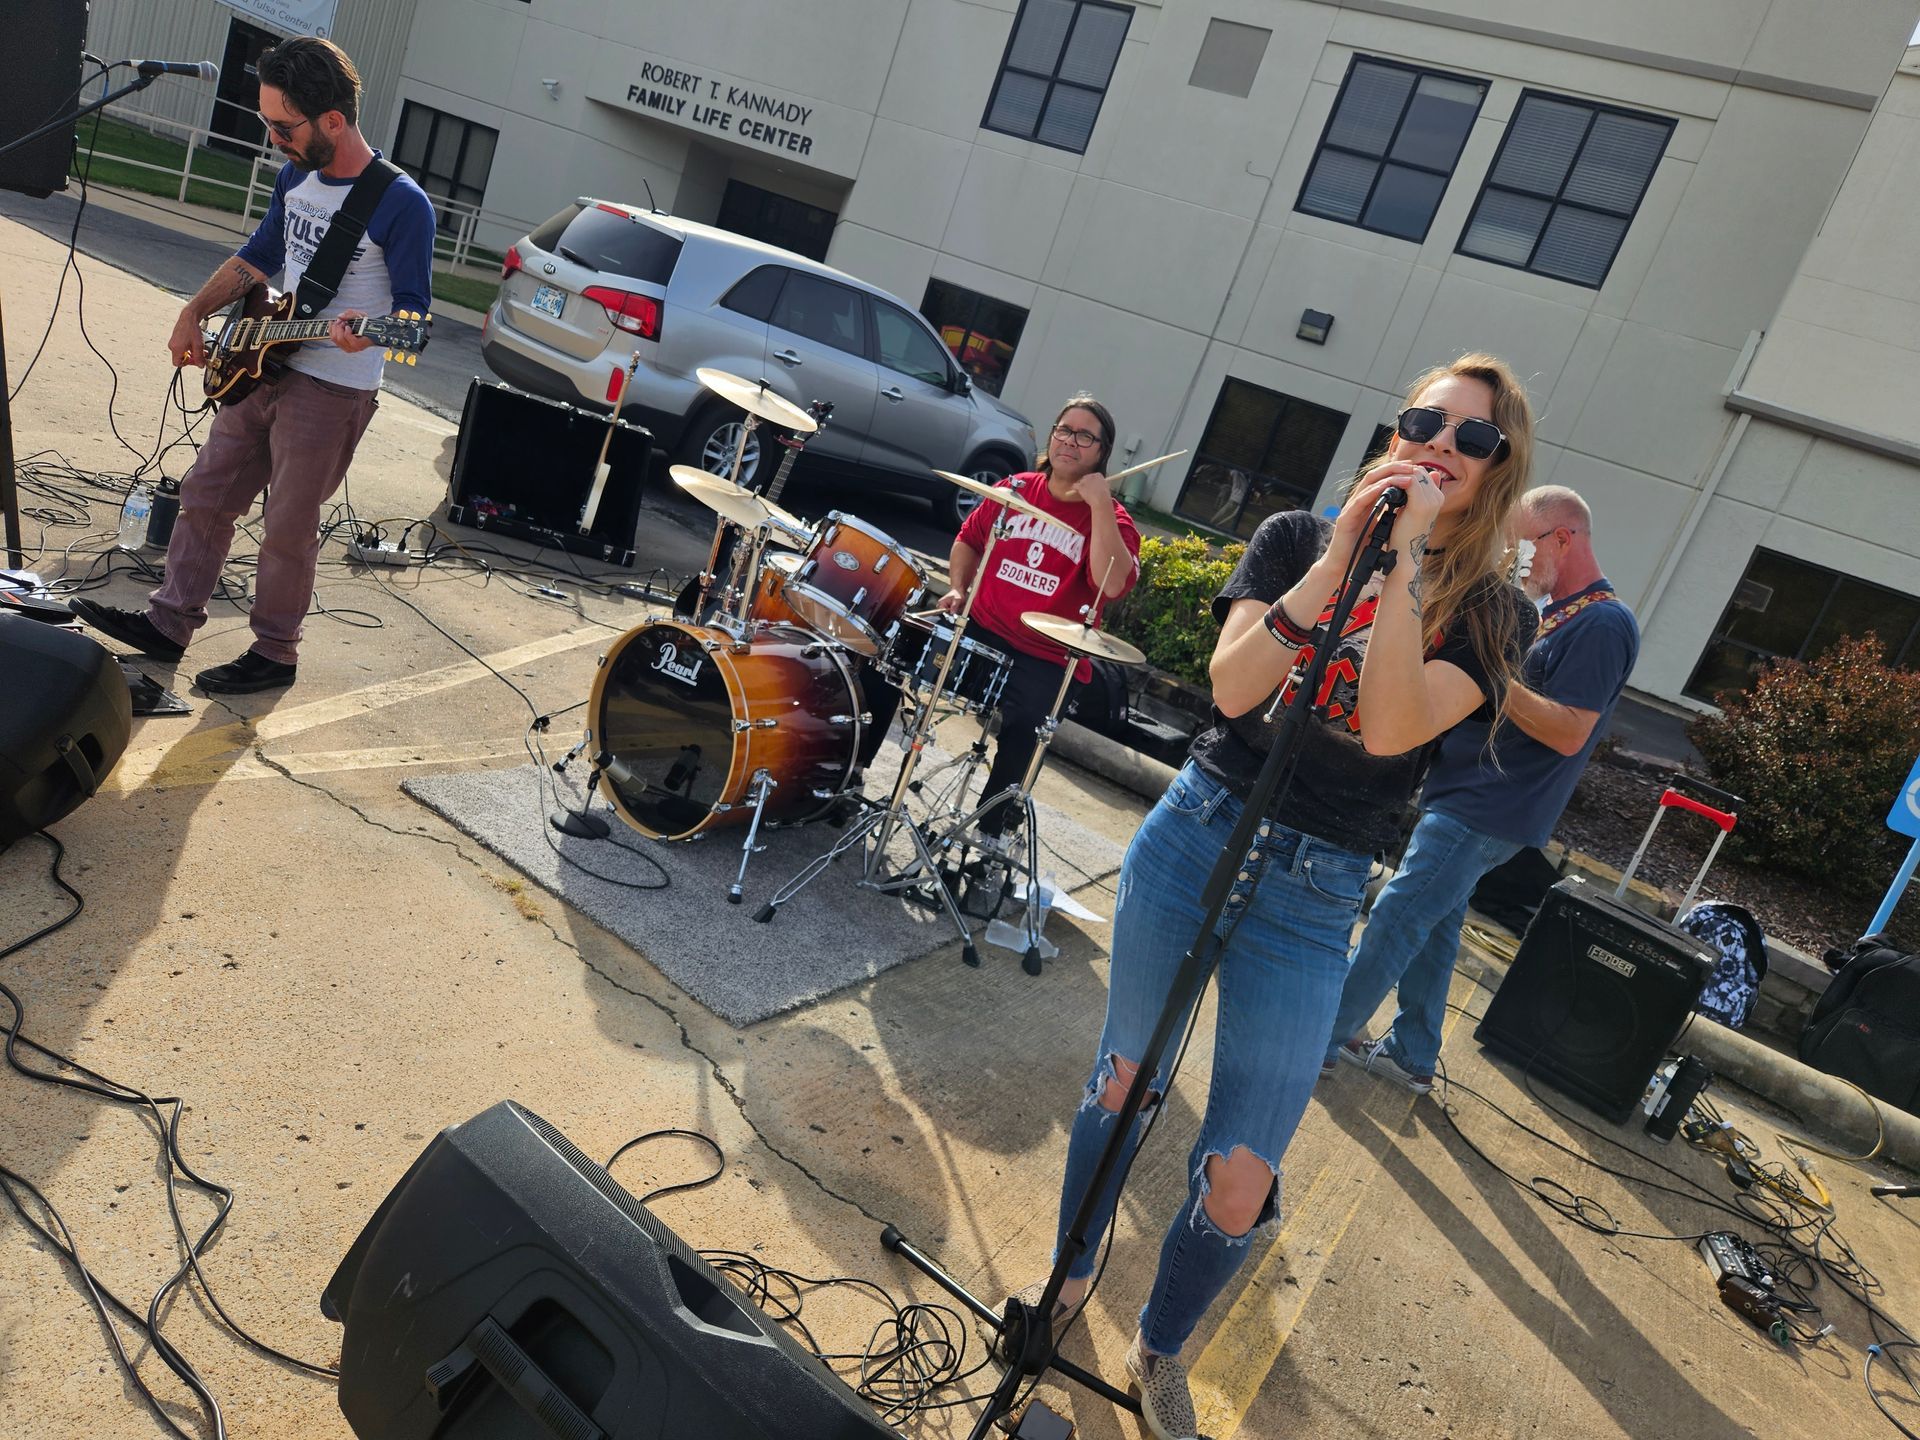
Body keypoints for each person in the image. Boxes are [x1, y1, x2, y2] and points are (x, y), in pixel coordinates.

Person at [1009, 356, 1537, 1440]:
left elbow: (1390, 727)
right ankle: (1065, 1286)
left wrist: (1397, 568)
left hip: (1317, 887)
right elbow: (1235, 687)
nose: (1439, 443)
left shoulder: (1494, 610)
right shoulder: (1299, 536)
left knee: (1244, 1172)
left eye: (1469, 437)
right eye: (1423, 420)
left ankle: (1160, 1348)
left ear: (1496, 467)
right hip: (1201, 828)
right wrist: (1346, 546)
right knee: (1122, 1085)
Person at [70, 37, 435, 694]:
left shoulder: (401, 203)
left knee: (287, 525)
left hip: (333, 388)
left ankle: (275, 654)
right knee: (206, 493)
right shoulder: (297, 175)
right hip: (262, 363)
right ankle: (169, 622)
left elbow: (415, 322)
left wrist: (372, 333)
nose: (272, 139)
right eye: (269, 123)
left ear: (333, 120)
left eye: (283, 126)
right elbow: (261, 254)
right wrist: (195, 310)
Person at [1327, 485, 1641, 1094]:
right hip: (1471, 792)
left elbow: (1571, 732)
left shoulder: (1603, 624)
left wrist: (1491, 670)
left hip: (1489, 803)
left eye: (1523, 547)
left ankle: (1320, 1032)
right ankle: (1414, 1052)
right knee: (1435, 923)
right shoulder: (1560, 612)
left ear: (1562, 538)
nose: (1514, 561)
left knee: (1398, 915)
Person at [856, 395, 1141, 842]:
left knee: (1027, 724)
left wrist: (1101, 506)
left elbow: (1113, 584)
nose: (1071, 441)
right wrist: (958, 587)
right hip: (981, 628)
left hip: (1045, 654)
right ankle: (852, 773)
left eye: (1086, 436)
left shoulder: (1113, 519)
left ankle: (991, 834)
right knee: (886, 652)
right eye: (1065, 430)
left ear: (1102, 452)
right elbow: (968, 539)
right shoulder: (1016, 490)